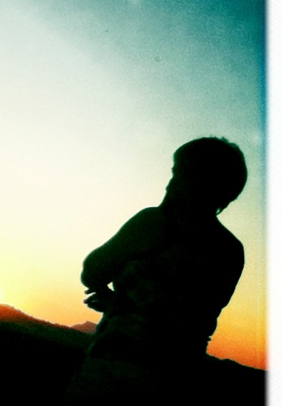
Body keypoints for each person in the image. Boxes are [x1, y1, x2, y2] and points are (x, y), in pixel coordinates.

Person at [81, 137, 247, 369]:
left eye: (179, 174)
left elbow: (92, 272)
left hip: (116, 366)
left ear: (199, 181)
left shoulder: (153, 222)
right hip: (179, 374)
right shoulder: (231, 251)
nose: (170, 183)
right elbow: (194, 314)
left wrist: (115, 302)